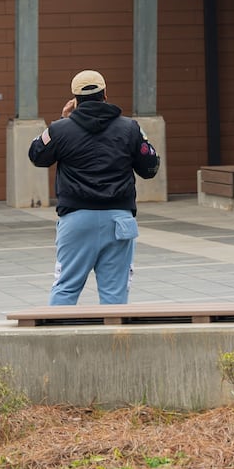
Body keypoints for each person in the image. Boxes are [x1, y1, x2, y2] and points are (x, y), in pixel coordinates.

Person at [27, 70, 160, 306]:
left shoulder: (61, 129)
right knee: (115, 295)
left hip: (76, 220)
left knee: (66, 288)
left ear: (75, 98)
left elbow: (37, 155)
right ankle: (113, 343)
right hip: (119, 220)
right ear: (105, 94)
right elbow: (150, 167)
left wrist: (63, 120)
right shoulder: (130, 128)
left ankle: (58, 340)